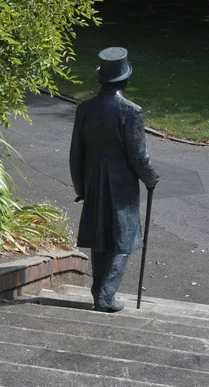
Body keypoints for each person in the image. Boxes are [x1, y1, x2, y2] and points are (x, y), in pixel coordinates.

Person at [69, 47, 159, 312]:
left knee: (101, 238)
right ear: (125, 80)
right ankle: (106, 295)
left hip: (94, 183)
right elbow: (139, 157)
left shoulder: (85, 108)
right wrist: (151, 178)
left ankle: (98, 291)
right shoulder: (131, 111)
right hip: (121, 187)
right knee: (124, 240)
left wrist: (81, 187)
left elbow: (76, 154)